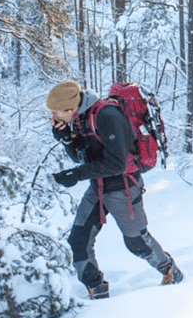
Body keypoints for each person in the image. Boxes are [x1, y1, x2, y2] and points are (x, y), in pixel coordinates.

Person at [47, 80, 183, 300]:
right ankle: (97, 290)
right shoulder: (81, 118)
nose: (53, 117)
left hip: (123, 188)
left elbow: (116, 164)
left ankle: (170, 270)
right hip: (98, 187)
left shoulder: (107, 117)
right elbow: (83, 155)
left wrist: (77, 174)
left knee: (136, 242)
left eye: (56, 112)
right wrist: (66, 139)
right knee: (78, 241)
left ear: (70, 108)